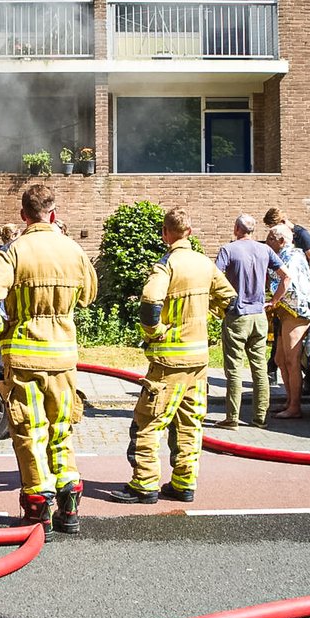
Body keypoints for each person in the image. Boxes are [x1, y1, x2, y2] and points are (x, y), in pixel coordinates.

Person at [0, 183, 97, 535]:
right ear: (53, 214)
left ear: (23, 215)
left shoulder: (14, 252)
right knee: (62, 430)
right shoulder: (73, 250)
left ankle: (38, 506)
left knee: (30, 432)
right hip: (63, 359)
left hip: (25, 357)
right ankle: (70, 501)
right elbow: (89, 295)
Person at [111, 208, 235, 505]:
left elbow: (150, 302)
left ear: (166, 234)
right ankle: (184, 484)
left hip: (169, 363)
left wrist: (155, 331)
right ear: (189, 232)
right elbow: (229, 299)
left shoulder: (166, 266)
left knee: (148, 423)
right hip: (199, 361)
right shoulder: (205, 264)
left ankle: (144, 485)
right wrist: (207, 317)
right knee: (190, 423)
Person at [215, 214, 288, 429]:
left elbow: (215, 278)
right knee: (259, 369)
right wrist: (273, 301)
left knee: (234, 369)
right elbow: (286, 277)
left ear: (236, 228)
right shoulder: (265, 250)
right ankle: (260, 418)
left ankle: (232, 418)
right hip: (259, 316)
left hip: (237, 316)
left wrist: (220, 304)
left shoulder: (228, 250)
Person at [262, 208, 310, 380]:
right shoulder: (279, 245)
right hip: (284, 299)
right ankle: (274, 369)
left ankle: (299, 384)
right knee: (281, 348)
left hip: (297, 298)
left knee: (292, 352)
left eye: (273, 229)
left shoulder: (301, 235)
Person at [264, 224, 310, 419]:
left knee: (291, 360)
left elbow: (287, 280)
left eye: (270, 239)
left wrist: (273, 301)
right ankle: (289, 400)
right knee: (279, 359)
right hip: (285, 311)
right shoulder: (283, 255)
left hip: (296, 311)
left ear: (281, 241)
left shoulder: (292, 256)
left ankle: (295, 407)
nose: (267, 242)